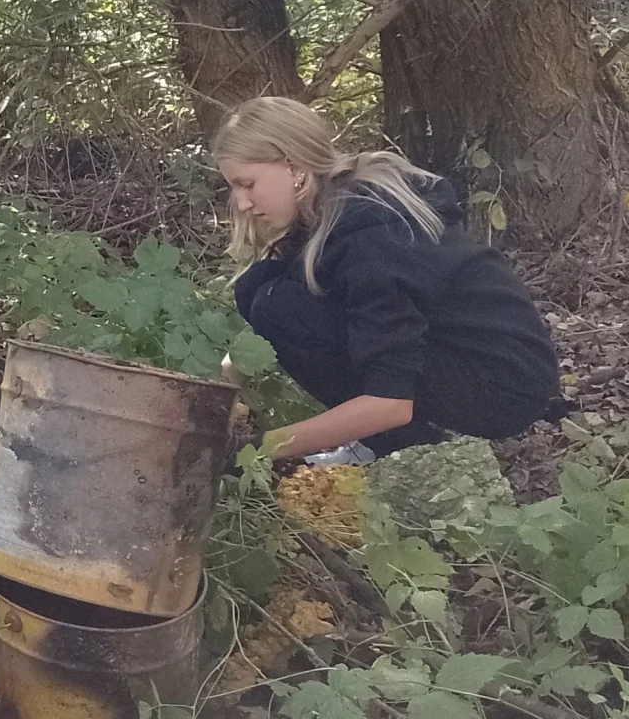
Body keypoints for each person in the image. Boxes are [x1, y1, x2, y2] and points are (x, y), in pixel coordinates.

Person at [215, 96, 563, 464]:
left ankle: (402, 447)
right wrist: (212, 400)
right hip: (452, 354)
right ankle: (386, 441)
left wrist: (252, 453)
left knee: (279, 306)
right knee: (260, 286)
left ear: (294, 165)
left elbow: (390, 402)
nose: (241, 204)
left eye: (247, 184)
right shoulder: (332, 211)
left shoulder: (373, 237)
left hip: (499, 383)